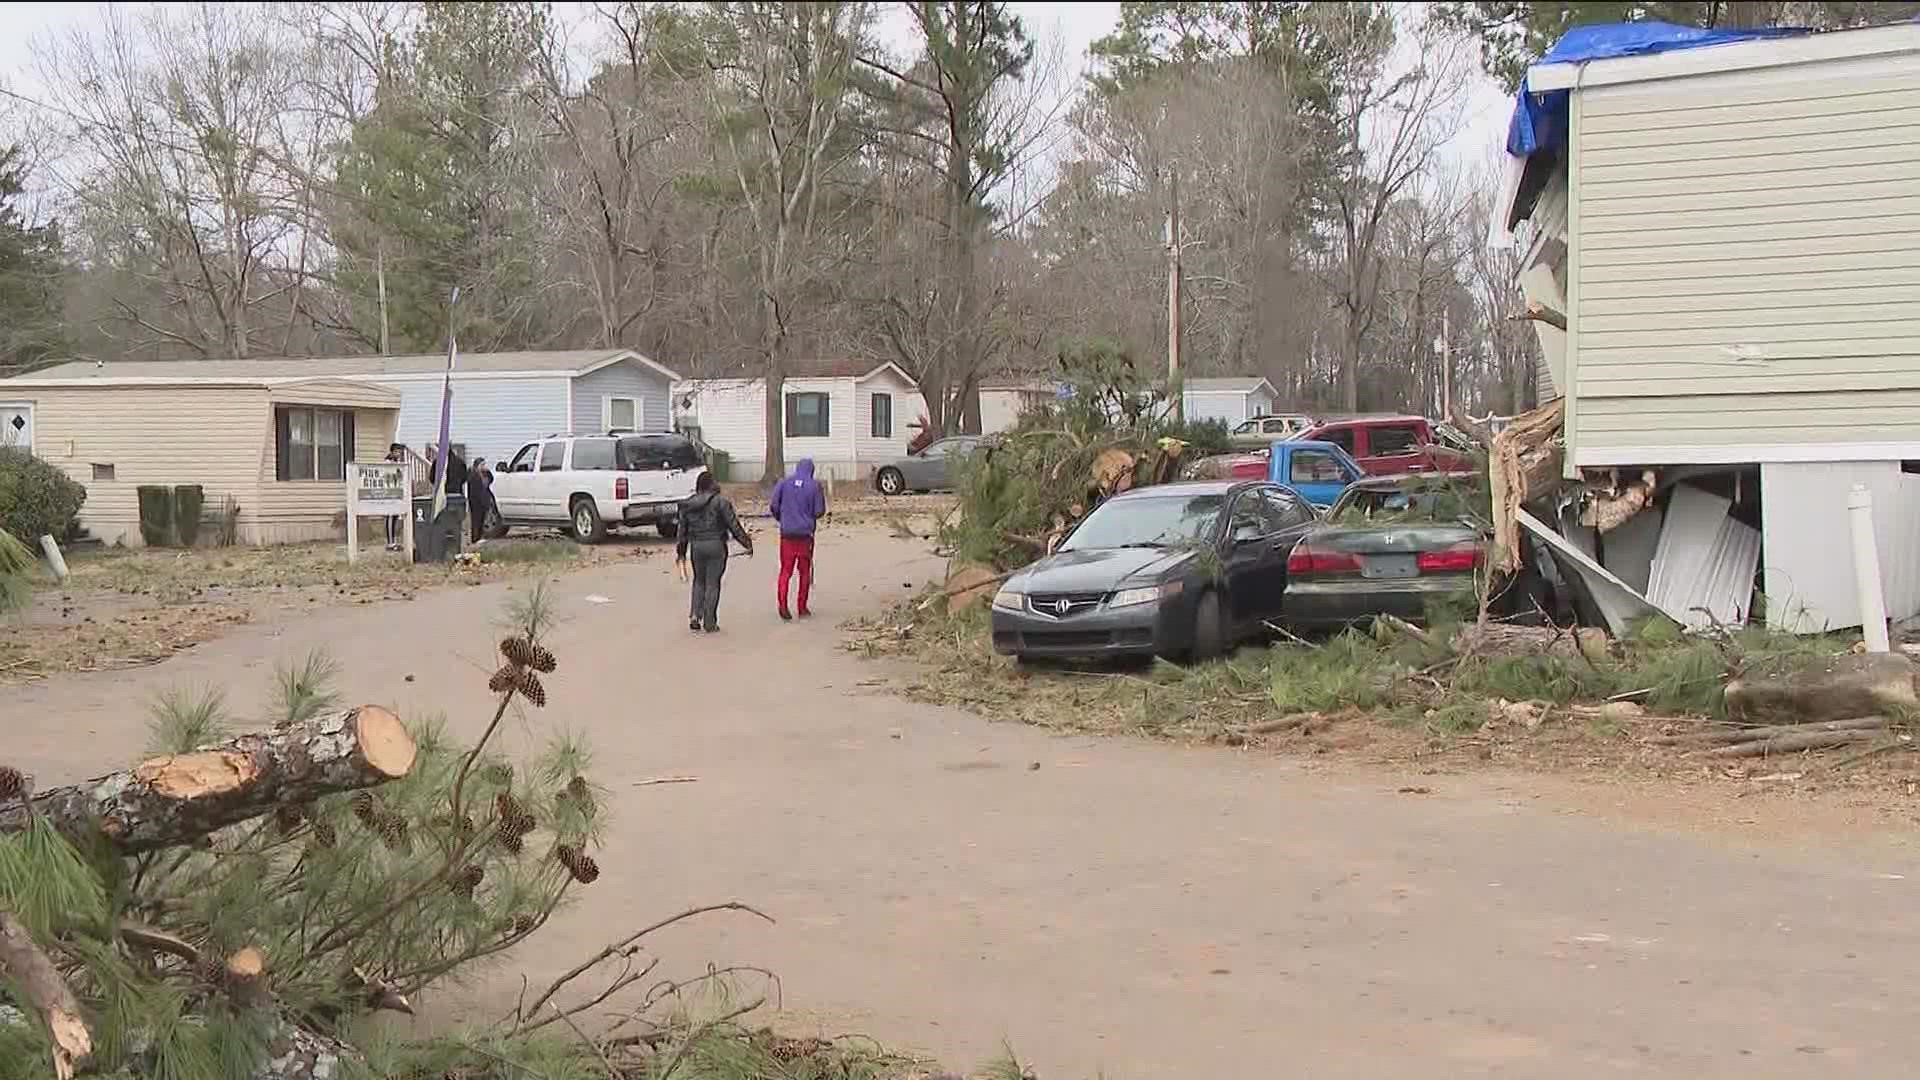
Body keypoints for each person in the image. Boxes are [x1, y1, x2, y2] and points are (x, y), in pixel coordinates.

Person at [674, 472, 753, 633]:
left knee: (699, 581)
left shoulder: (688, 505)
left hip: (696, 547)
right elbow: (733, 525)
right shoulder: (721, 502)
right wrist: (747, 543)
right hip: (716, 545)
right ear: (712, 484)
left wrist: (681, 552)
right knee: (712, 583)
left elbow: (682, 532)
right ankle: (710, 621)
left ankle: (695, 615)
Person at [768, 457, 827, 620]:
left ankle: (782, 604)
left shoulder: (783, 483)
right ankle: (801, 607)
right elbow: (819, 511)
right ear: (811, 471)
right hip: (805, 535)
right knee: (804, 572)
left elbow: (773, 505)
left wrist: (782, 518)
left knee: (785, 571)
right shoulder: (815, 486)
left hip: (787, 534)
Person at [465, 456, 495, 544]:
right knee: (476, 520)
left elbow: (491, 479)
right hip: (475, 501)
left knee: (483, 519)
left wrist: (487, 471)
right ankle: (475, 538)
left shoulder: (485, 474)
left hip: (484, 499)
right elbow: (473, 487)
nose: (484, 466)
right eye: (482, 464)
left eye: (484, 464)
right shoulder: (473, 474)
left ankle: (481, 536)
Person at [383, 443, 407, 550]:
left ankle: (394, 541)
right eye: (397, 451)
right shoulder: (387, 462)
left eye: (400, 452)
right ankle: (390, 542)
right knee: (390, 516)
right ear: (392, 452)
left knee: (395, 517)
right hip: (389, 492)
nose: (399, 453)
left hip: (397, 492)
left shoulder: (398, 463)